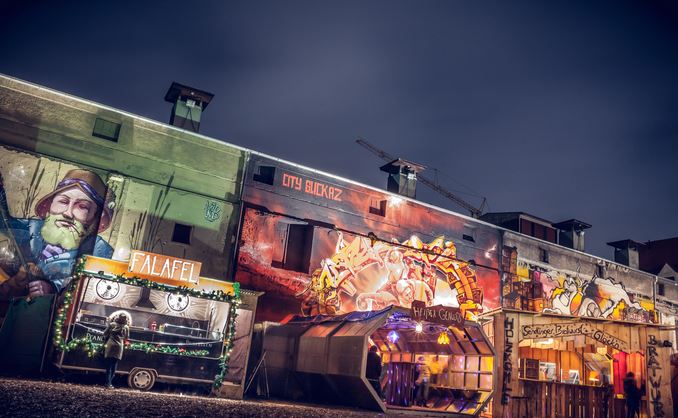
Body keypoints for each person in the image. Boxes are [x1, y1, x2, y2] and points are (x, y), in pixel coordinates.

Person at [0, 169, 114, 300]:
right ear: (51, 205)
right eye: (63, 202)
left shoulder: (99, 249)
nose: (68, 213)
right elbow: (5, 223)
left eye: (82, 206)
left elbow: (91, 290)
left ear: (94, 217)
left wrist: (52, 289)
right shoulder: (35, 227)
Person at [103, 312, 130, 389]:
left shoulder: (112, 325)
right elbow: (126, 337)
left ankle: (107, 383)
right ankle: (109, 384)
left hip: (110, 345)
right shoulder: (126, 327)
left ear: (117, 317)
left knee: (108, 367)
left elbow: (105, 333)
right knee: (114, 366)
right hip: (118, 347)